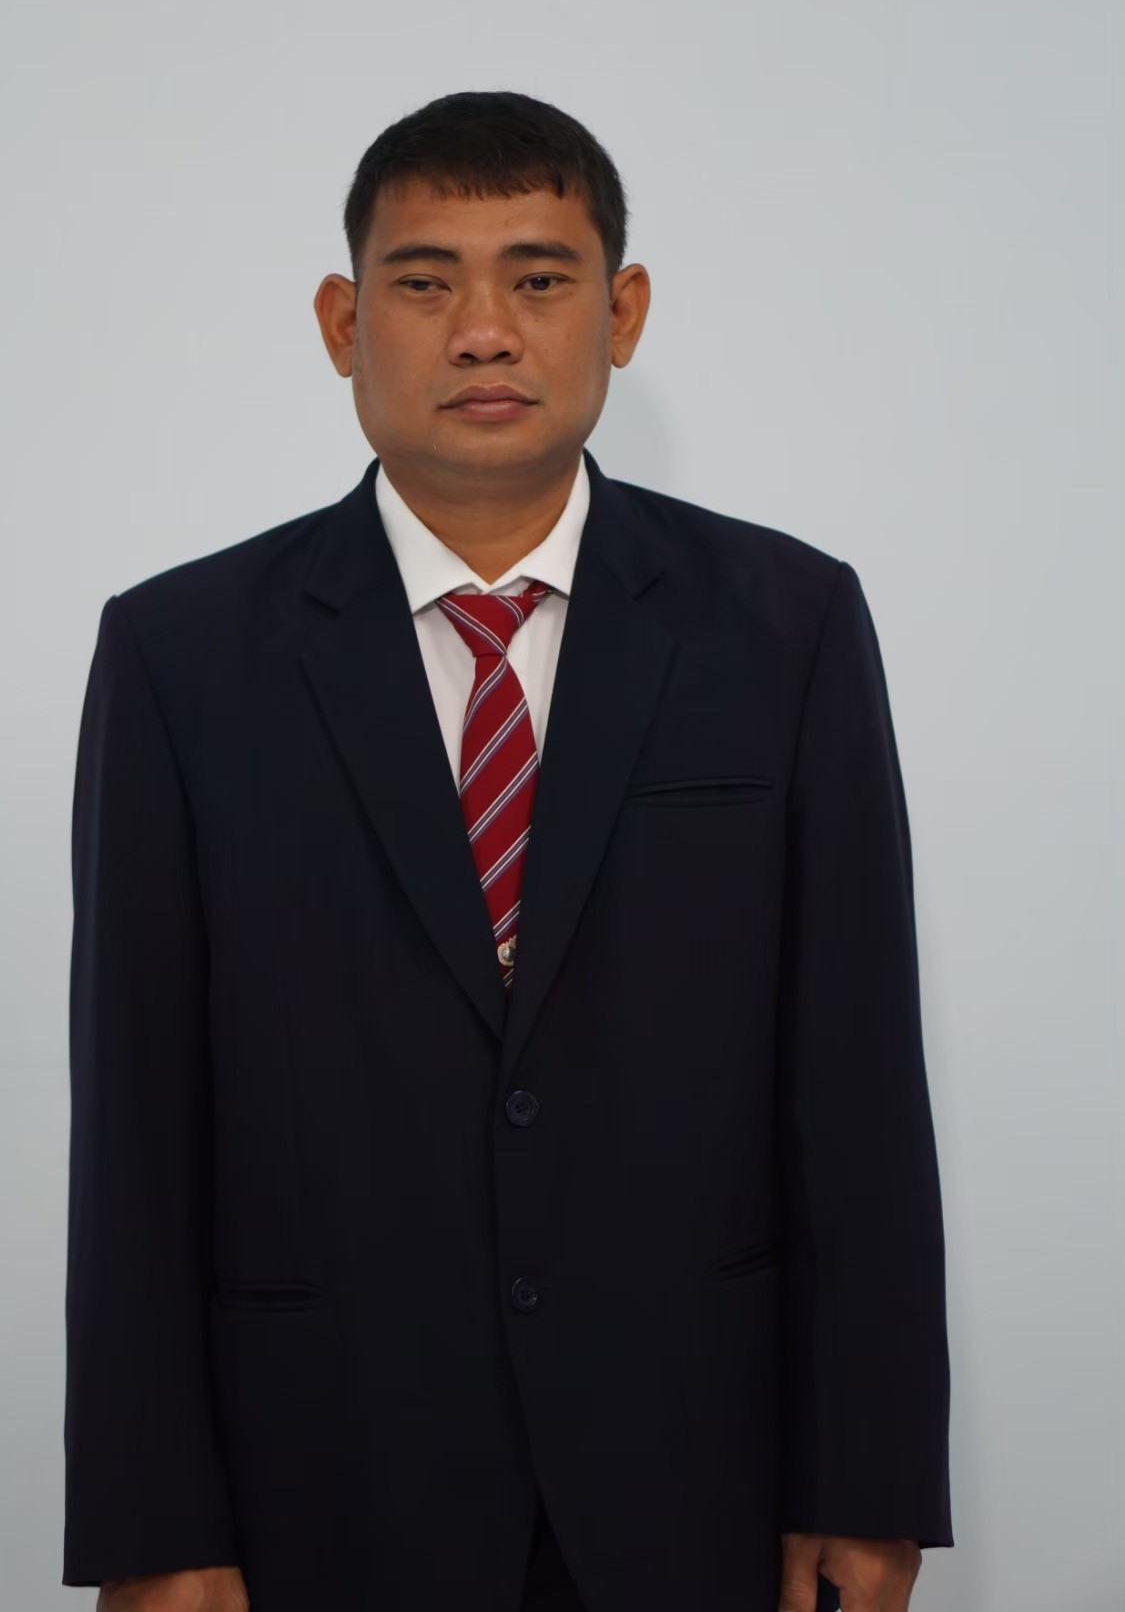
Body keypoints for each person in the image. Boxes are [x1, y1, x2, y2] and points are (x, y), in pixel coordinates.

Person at [62, 90, 953, 1612]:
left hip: (700, 1471)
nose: (483, 331)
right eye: (424, 283)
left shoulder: (785, 627)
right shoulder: (181, 656)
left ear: (623, 310)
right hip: (320, 1478)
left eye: (539, 279)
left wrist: (866, 1479)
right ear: (343, 322)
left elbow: (857, 1084)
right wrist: (153, 1525)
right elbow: (137, 1119)